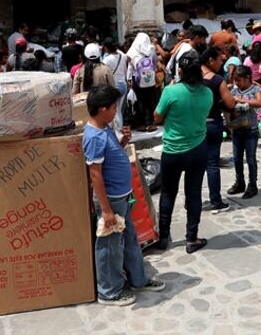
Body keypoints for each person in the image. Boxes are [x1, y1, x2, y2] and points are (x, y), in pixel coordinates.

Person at [84, 84, 166, 306]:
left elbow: (112, 157)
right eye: (113, 108)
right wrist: (107, 211)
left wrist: (123, 142)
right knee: (109, 246)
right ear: (102, 109)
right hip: (110, 201)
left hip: (122, 197)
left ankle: (138, 279)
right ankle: (108, 291)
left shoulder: (105, 129)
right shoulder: (93, 137)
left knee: (130, 239)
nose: (115, 112)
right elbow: (95, 175)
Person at [154, 51, 211, 253]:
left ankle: (163, 237)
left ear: (180, 71)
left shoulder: (171, 92)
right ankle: (191, 238)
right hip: (198, 149)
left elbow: (157, 118)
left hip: (173, 151)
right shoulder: (208, 93)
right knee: (193, 193)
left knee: (168, 193)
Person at [201, 47, 234, 212]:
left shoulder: (190, 78)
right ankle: (216, 201)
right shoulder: (217, 80)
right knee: (212, 164)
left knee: (195, 166)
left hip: (194, 125)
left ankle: (192, 201)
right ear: (210, 60)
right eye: (220, 60)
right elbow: (230, 104)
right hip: (212, 123)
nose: (222, 63)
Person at [227, 65, 261, 199]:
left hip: (251, 130)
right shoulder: (235, 90)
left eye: (239, 80)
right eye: (235, 80)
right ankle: (239, 182)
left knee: (251, 159)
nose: (237, 83)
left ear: (247, 78)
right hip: (237, 130)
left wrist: (243, 100)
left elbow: (259, 102)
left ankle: (252, 185)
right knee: (237, 159)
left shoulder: (255, 89)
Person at [126, 32, 160, 131]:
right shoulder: (151, 49)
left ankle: (141, 124)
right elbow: (155, 62)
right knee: (150, 101)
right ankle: (150, 123)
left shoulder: (133, 50)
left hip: (137, 79)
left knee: (139, 101)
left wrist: (128, 79)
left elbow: (130, 66)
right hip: (150, 79)